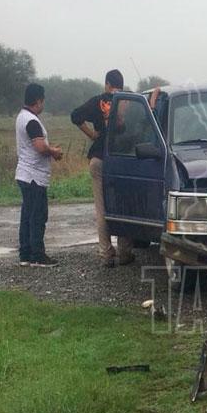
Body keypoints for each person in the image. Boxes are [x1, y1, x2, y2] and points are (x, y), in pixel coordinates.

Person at [71, 69, 134, 268]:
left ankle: (106, 253)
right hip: (122, 161)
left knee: (102, 209)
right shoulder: (129, 101)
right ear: (121, 84)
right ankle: (125, 252)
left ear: (107, 84)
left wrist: (92, 135)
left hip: (99, 159)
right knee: (123, 206)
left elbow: (75, 116)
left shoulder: (97, 101)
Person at [15, 83, 63, 268]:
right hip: (34, 176)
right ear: (38, 100)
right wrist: (54, 151)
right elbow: (40, 147)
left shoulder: (21, 117)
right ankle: (38, 255)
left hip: (25, 174)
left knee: (27, 216)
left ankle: (25, 254)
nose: (43, 104)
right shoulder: (32, 121)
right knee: (38, 217)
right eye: (43, 100)